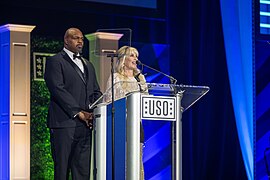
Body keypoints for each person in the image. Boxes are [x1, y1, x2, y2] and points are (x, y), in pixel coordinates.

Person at [44, 27, 101, 180]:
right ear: (66, 40)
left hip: (85, 126)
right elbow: (57, 89)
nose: (80, 41)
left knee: (82, 171)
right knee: (62, 170)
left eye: (82, 38)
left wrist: (96, 111)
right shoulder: (55, 61)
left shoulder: (88, 64)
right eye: (76, 38)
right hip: (64, 124)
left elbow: (96, 91)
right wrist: (79, 112)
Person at [104, 45, 147, 179]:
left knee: (137, 158)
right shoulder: (116, 78)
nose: (135, 59)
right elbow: (109, 99)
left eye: (136, 56)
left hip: (136, 123)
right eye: (132, 55)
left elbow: (146, 100)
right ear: (123, 59)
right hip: (122, 123)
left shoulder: (140, 79)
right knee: (124, 158)